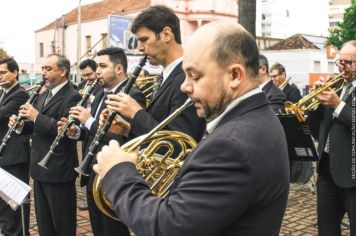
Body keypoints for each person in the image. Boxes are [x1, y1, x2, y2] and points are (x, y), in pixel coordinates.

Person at [93, 20, 290, 236]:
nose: (184, 86)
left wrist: (118, 171)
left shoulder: (230, 145)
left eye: (195, 76)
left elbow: (167, 228)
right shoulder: (258, 116)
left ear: (234, 75)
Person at [61, 47, 145, 236]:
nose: (97, 71)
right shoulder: (100, 93)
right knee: (98, 228)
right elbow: (91, 133)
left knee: (112, 230)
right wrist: (76, 132)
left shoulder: (132, 96)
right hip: (93, 172)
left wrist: (88, 120)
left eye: (102, 66)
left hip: (112, 175)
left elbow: (123, 137)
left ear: (119, 69)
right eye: (97, 66)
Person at [104, 5, 205, 143]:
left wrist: (136, 113)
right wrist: (127, 129)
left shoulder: (187, 77)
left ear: (166, 34)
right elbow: (160, 128)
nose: (139, 48)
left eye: (144, 39)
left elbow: (182, 143)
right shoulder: (165, 76)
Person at [9, 54, 81, 236]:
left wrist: (35, 116)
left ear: (63, 71)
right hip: (39, 166)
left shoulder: (73, 96)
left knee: (62, 224)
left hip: (58, 168)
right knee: (44, 223)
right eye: (42, 69)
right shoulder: (44, 94)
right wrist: (21, 125)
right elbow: (36, 127)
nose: (43, 73)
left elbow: (64, 130)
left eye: (48, 69)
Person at [309, 40, 356, 236]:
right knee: (326, 229)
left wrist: (338, 105)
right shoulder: (336, 86)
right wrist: (316, 102)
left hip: (353, 176)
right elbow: (317, 128)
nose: (342, 67)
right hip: (327, 171)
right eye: (340, 62)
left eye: (348, 62)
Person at [0, 58, 31, 236]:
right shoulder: (3, 93)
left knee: (14, 204)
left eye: (3, 72)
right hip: (4, 156)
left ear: (15, 72)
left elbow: (2, 114)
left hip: (15, 157)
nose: (0, 76)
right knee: (4, 206)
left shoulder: (20, 94)